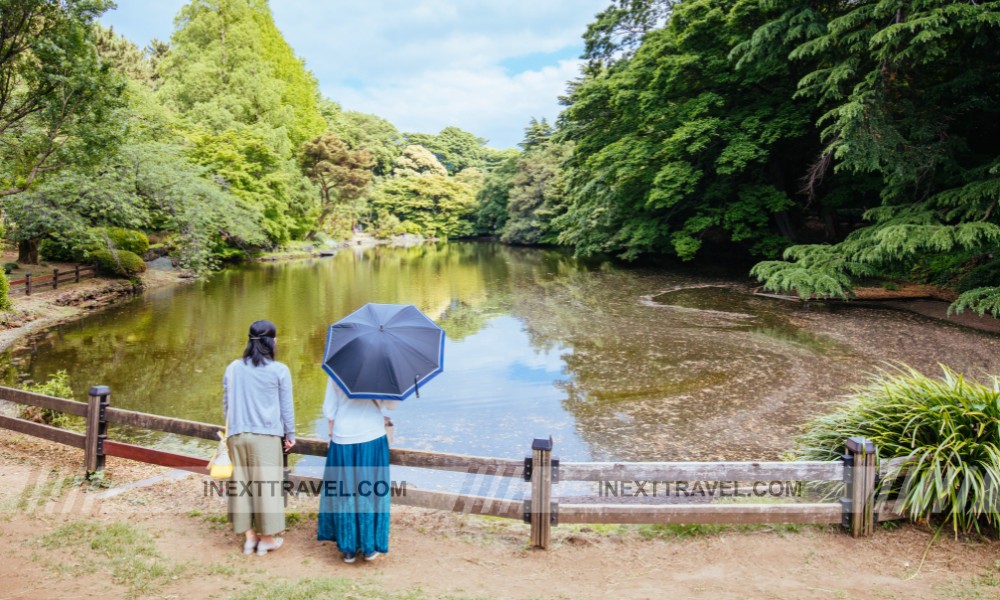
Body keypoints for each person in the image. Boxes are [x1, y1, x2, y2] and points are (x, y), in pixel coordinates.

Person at [222, 320, 296, 556]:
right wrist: (290, 435)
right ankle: (266, 539)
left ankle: (248, 538)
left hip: (236, 434)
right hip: (265, 436)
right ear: (272, 341)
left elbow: (227, 405)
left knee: (241, 486)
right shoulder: (279, 370)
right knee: (266, 488)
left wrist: (231, 431)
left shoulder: (233, 368)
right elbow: (286, 408)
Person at [317, 379, 398, 563]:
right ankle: (369, 547)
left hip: (342, 436)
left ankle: (348, 549)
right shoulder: (380, 371)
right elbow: (391, 405)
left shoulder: (336, 369)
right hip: (371, 435)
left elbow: (329, 409)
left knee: (344, 493)